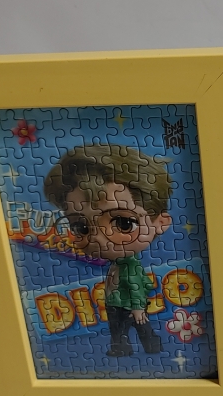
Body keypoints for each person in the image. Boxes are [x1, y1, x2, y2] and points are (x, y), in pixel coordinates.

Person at [44, 144, 172, 357]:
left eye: (123, 223)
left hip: (127, 304)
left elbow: (136, 287)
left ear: (160, 222)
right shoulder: (118, 264)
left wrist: (137, 307)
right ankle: (122, 347)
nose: (97, 237)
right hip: (115, 303)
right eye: (81, 227)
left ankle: (150, 346)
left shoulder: (130, 266)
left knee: (139, 324)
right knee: (119, 330)